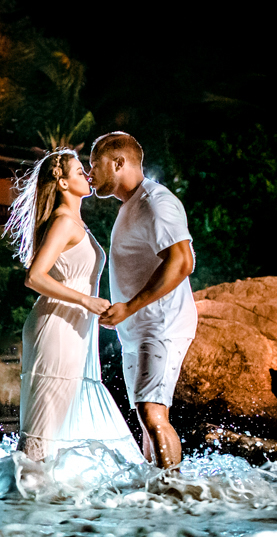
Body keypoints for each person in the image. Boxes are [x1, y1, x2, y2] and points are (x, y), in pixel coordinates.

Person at [5, 149, 144, 465]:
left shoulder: (75, 223)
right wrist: (86, 301)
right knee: (41, 431)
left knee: (52, 429)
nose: (88, 175)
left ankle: (39, 498)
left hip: (73, 329)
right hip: (56, 327)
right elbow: (34, 277)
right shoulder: (63, 222)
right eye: (81, 171)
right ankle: (19, 500)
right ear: (64, 183)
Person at [89, 132, 196, 469]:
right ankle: (158, 498)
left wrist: (129, 307)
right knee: (146, 419)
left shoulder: (155, 202)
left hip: (162, 325)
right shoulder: (130, 206)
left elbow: (182, 262)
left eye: (95, 165)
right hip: (136, 331)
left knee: (153, 413)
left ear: (118, 163)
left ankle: (174, 494)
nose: (90, 174)